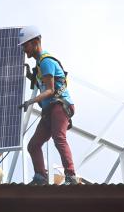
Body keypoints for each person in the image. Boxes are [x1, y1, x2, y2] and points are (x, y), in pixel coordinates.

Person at [17, 26, 78, 185]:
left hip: (59, 105)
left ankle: (71, 175)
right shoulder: (39, 65)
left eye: (26, 45)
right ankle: (40, 177)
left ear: (36, 42)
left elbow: (50, 90)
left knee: (59, 137)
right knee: (33, 145)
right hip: (49, 109)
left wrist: (30, 101)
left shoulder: (46, 62)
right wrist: (30, 74)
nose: (24, 50)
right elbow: (43, 84)